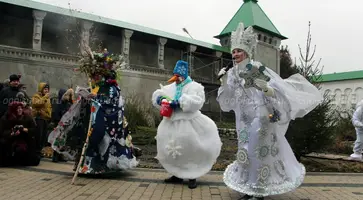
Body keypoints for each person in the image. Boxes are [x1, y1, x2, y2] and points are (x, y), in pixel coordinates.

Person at [217, 23, 323, 199]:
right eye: (233, 51)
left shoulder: (257, 68)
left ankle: (258, 190)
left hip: (262, 118)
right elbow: (227, 103)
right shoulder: (233, 73)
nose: (235, 54)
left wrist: (266, 89)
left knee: (259, 152)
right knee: (245, 151)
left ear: (247, 52)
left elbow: (277, 93)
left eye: (239, 51)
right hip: (243, 121)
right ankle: (247, 188)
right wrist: (223, 81)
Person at [48, 49, 138, 174]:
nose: (94, 78)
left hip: (108, 122)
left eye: (96, 75)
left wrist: (96, 98)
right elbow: (92, 98)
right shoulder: (97, 86)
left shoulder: (112, 87)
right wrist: (86, 97)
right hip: (90, 119)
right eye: (93, 75)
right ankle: (85, 164)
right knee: (85, 137)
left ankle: (100, 164)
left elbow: (111, 101)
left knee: (101, 138)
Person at [152, 60, 222, 189]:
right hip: (171, 122)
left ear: (183, 75)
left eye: (178, 76)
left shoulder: (194, 86)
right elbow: (161, 93)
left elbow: (198, 101)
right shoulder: (172, 85)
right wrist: (160, 99)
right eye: (175, 75)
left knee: (190, 147)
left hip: (188, 123)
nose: (176, 79)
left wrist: (180, 102)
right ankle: (177, 174)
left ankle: (192, 175)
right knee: (170, 148)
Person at [0, 101, 39, 166]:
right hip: (10, 140)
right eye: (18, 108)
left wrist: (24, 129)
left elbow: (34, 130)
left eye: (21, 108)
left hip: (24, 139)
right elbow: (2, 132)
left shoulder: (27, 117)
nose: (20, 110)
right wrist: (12, 133)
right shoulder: (5, 118)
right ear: (13, 109)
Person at [31, 82, 52, 154]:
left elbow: (49, 108)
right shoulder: (36, 96)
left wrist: (49, 115)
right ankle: (36, 151)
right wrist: (45, 97)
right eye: (45, 89)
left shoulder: (47, 98)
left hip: (45, 119)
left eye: (47, 89)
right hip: (39, 118)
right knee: (38, 137)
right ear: (41, 89)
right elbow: (36, 104)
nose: (46, 91)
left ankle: (39, 150)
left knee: (43, 137)